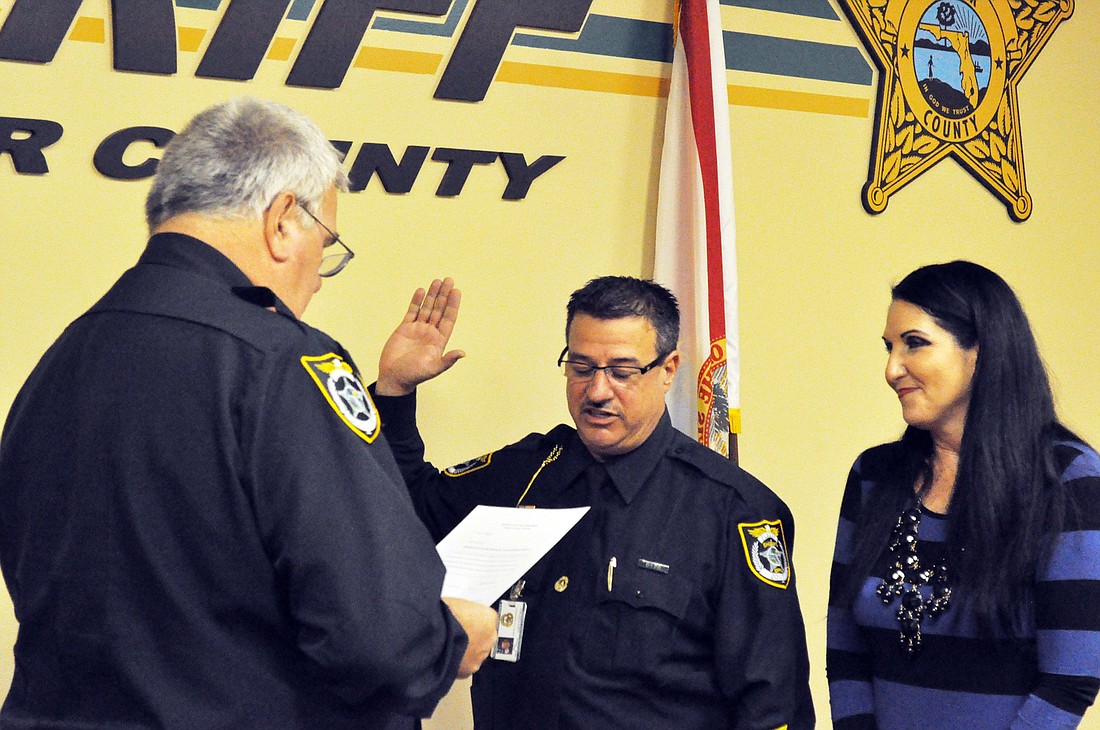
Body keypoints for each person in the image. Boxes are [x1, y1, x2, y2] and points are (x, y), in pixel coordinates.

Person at [0, 97, 497, 728]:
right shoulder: (281, 362)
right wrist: (450, 639)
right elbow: (380, 640)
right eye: (327, 243)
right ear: (284, 220)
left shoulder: (64, 357)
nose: (318, 278)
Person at [371, 275, 815, 729]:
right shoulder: (525, 475)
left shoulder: (731, 510)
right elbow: (403, 513)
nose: (598, 391)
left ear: (668, 370)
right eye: (582, 368)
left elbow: (773, 705)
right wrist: (394, 391)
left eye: (622, 372)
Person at [826, 261, 1100, 729]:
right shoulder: (873, 475)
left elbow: (1070, 679)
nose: (892, 369)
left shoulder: (1066, 479)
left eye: (915, 343)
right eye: (889, 347)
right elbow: (844, 649)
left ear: (981, 351)